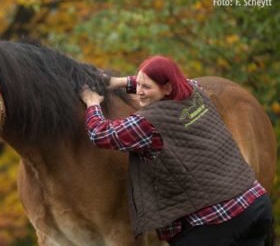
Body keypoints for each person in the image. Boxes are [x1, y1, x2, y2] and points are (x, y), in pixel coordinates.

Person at [80, 56, 273, 245]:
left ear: (167, 88)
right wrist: (118, 82)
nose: (139, 92)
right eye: (138, 85)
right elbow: (164, 83)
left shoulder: (147, 124)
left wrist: (92, 103)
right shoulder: (195, 92)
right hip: (257, 206)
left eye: (145, 87)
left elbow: (100, 133)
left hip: (215, 226)